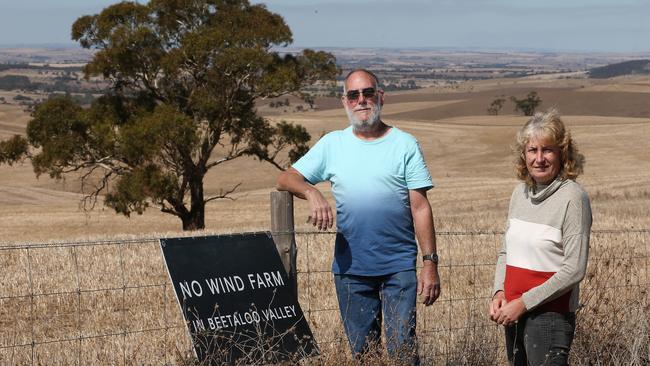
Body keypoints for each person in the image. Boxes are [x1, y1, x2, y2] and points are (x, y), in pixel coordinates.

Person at [276, 69, 441, 364]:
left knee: (403, 352)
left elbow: (420, 207)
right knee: (363, 356)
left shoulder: (405, 144)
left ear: (380, 97)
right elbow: (286, 178)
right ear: (344, 102)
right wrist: (313, 193)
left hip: (398, 268)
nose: (361, 100)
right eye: (353, 95)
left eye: (367, 93)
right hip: (351, 271)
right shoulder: (333, 144)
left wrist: (430, 264)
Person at [489, 109, 592, 366]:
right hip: (512, 311)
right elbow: (506, 252)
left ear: (562, 153)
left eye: (548, 150)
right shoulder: (520, 193)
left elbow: (574, 269)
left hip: (549, 316)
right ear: (523, 155)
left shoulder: (572, 198)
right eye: (532, 150)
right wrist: (499, 291)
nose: (539, 158)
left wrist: (524, 303)